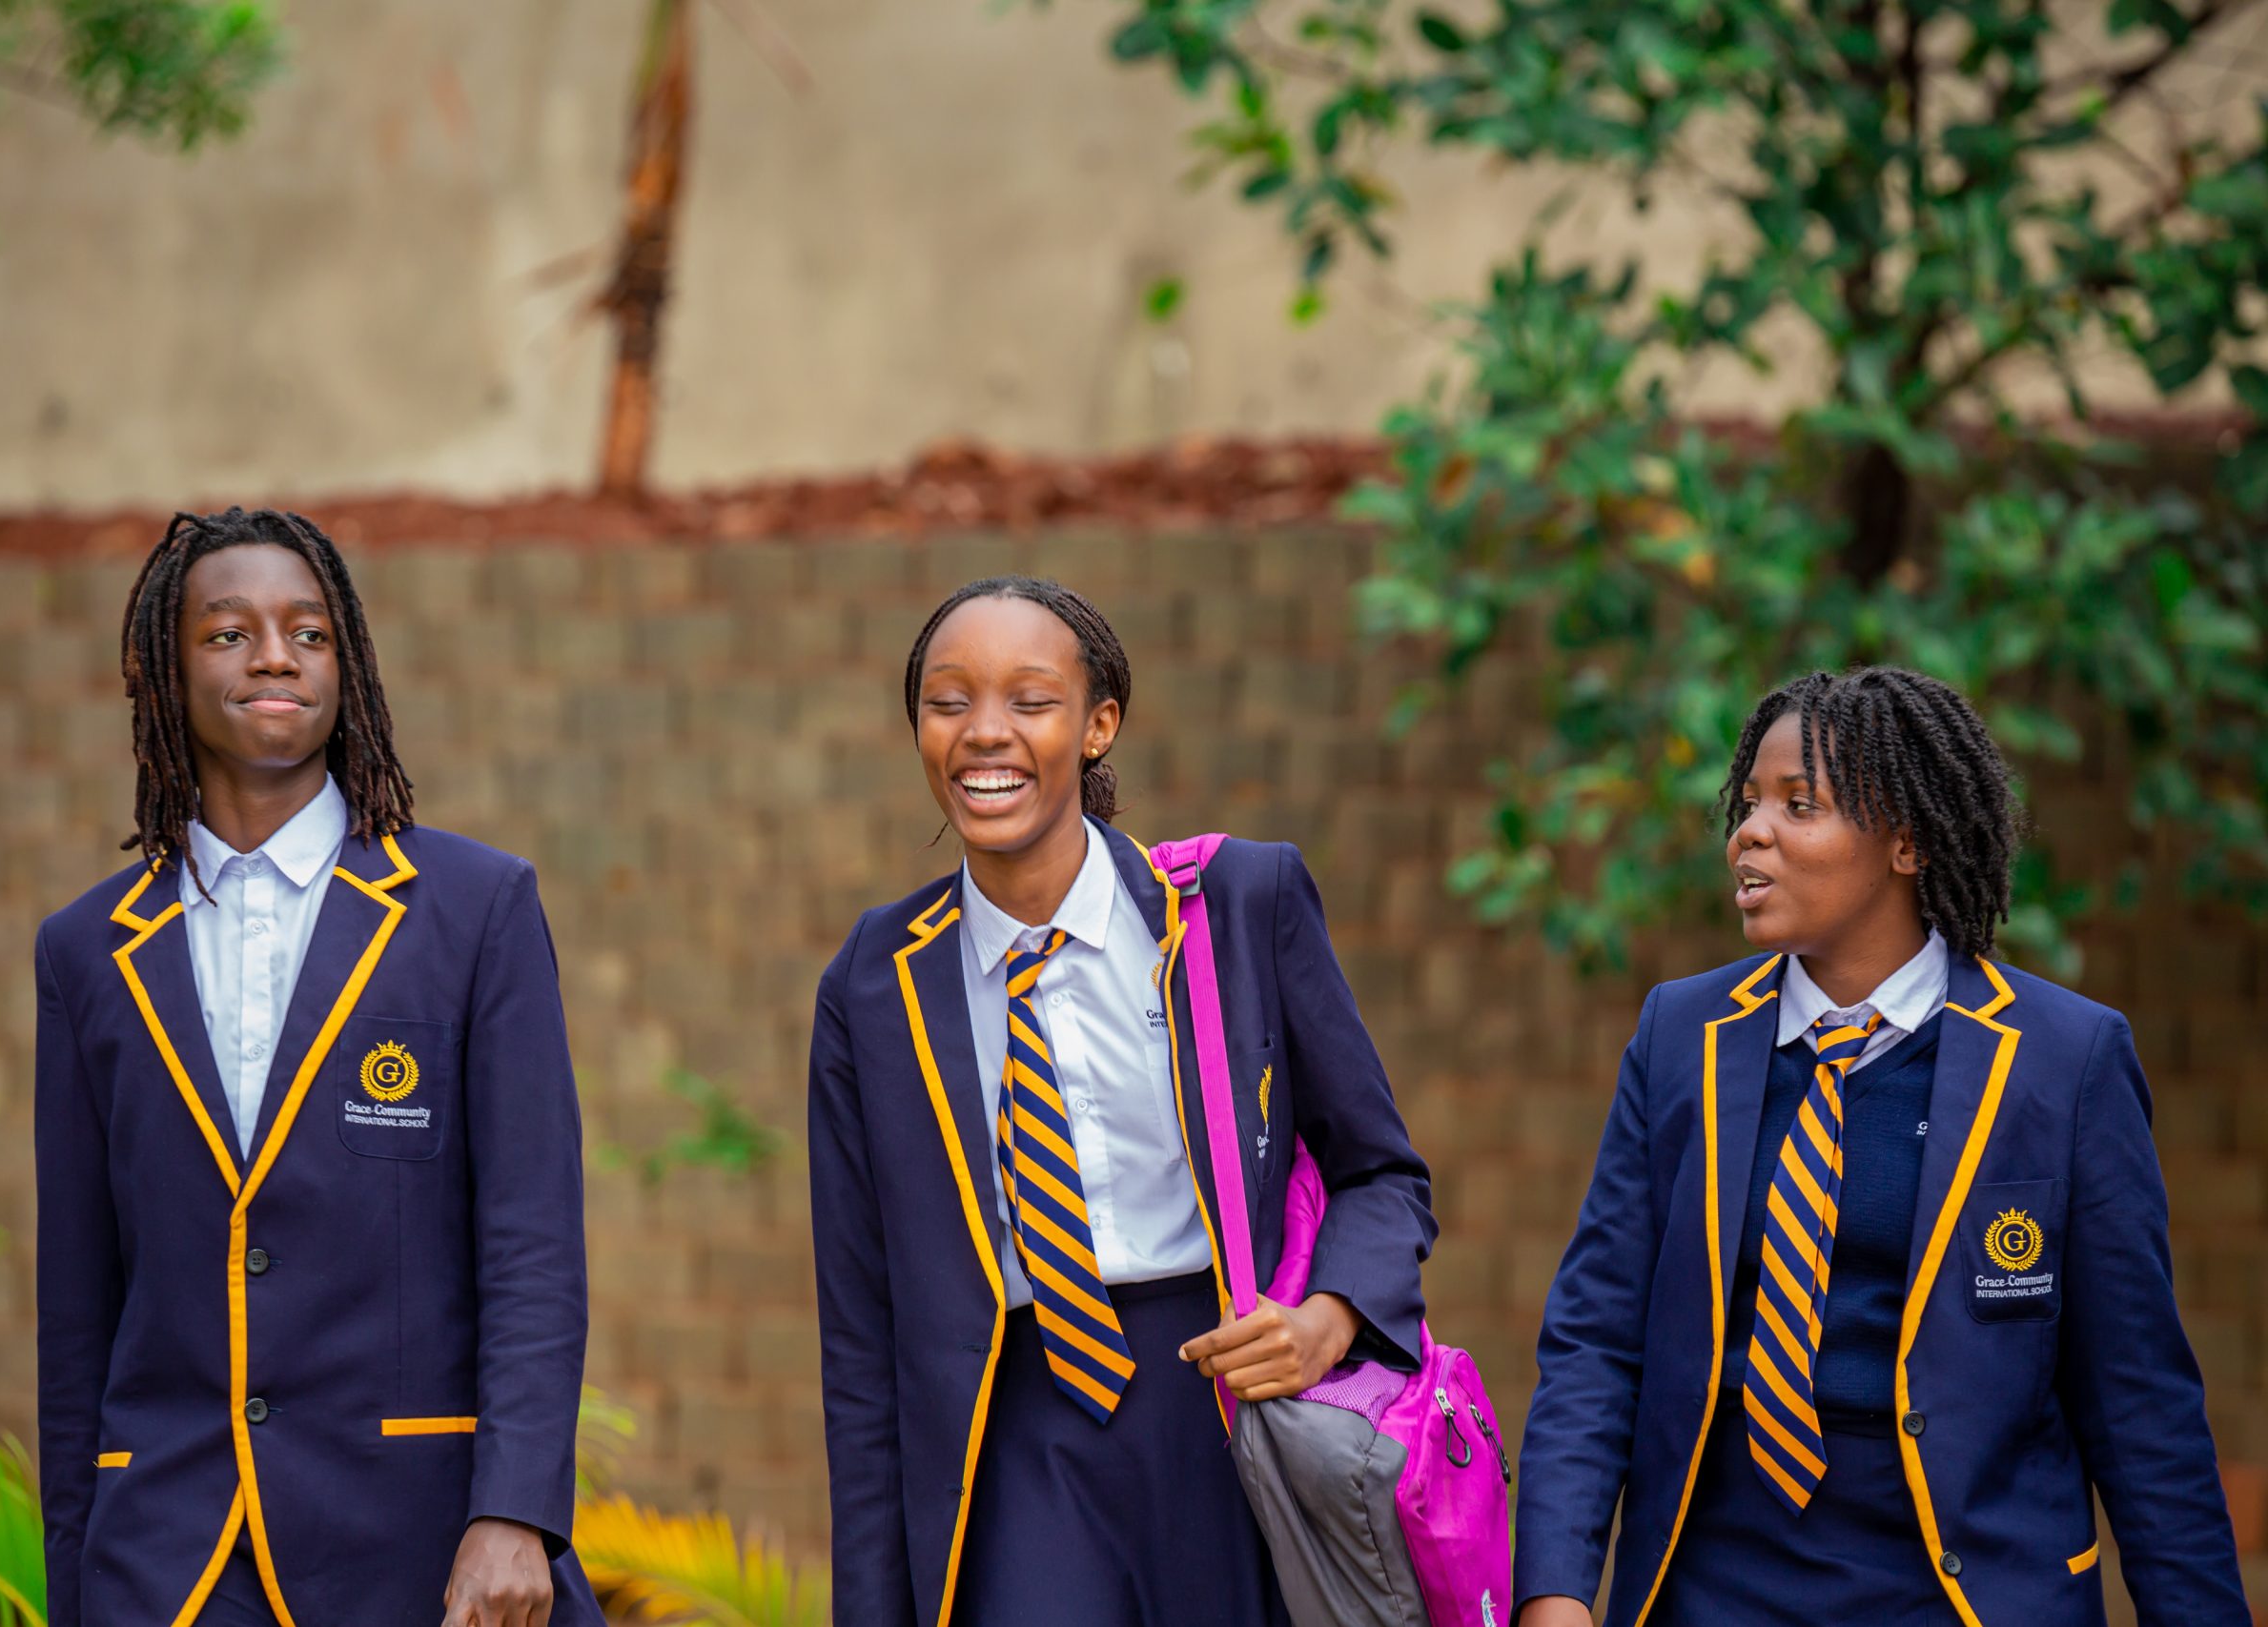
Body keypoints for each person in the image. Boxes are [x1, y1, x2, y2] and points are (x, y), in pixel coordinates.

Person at [1512, 666, 2249, 1626]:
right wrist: (1554, 1593)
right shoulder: (1679, 1038)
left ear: (1907, 842)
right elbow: (1596, 1342)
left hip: (1963, 1594)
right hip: (1712, 1589)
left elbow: (2138, 1402)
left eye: (1799, 805)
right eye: (1748, 805)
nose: (1750, 833)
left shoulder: (2063, 1061)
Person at [807, 576, 1438, 1626]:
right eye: (949, 701)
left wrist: (1328, 1317)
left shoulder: (1234, 908)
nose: (984, 734)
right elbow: (861, 1334)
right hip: (1014, 1435)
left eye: (1031, 701)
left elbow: (1381, 1173)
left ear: (1099, 725)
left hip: (1232, 1404)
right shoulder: (875, 982)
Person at [33, 507, 603, 1627]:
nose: (275, 655)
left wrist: (516, 1511)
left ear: (347, 665)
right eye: (227, 633)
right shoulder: (86, 952)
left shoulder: (475, 909)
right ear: (162, 670)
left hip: (413, 1544)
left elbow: (533, 1242)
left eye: (309, 631)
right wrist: (75, 1574)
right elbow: (78, 1303)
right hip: (166, 1557)